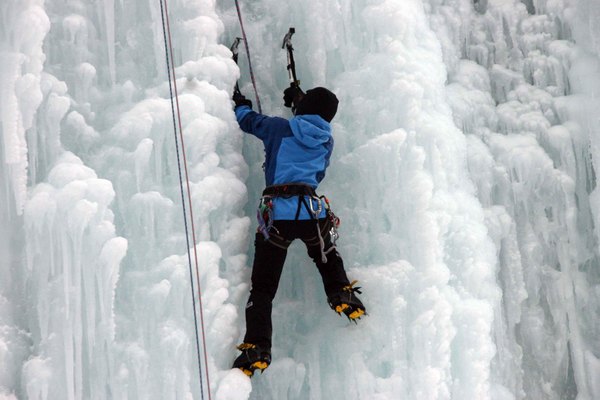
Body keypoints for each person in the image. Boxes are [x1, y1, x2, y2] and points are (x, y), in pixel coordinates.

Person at [231, 85, 366, 377]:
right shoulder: (326, 141)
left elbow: (249, 121)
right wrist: (300, 103)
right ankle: (341, 292)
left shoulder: (279, 129)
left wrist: (240, 102)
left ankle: (257, 345)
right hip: (312, 214)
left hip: (277, 216)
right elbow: (316, 169)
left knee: (264, 288)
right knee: (326, 255)